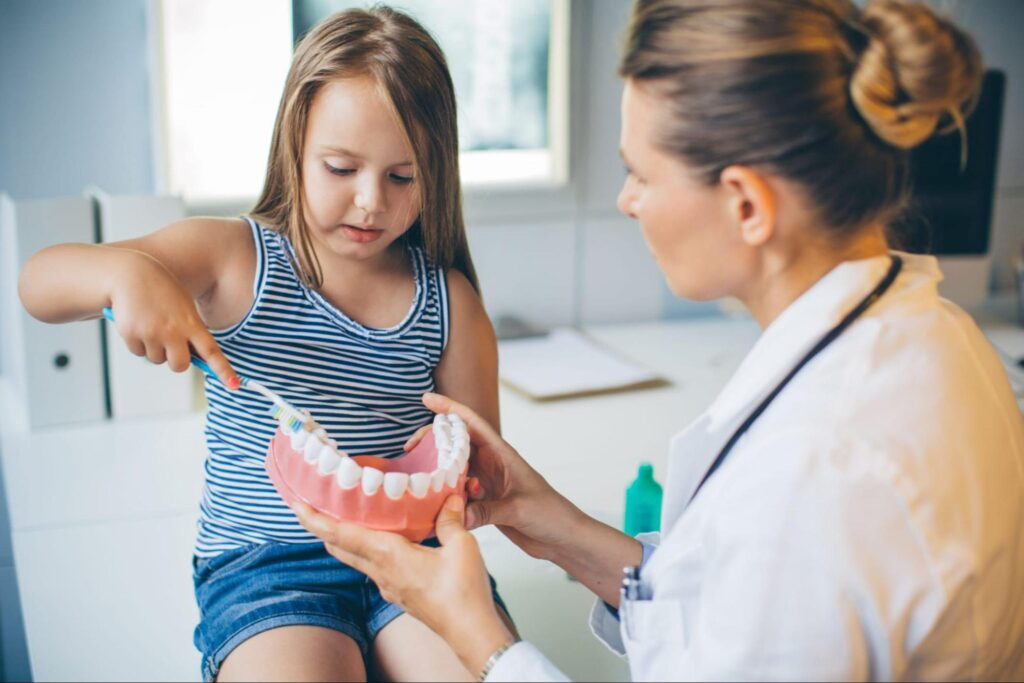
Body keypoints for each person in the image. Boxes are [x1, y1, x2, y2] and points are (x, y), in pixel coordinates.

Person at [294, 0, 1024, 680]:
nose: (626, 200)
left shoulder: (819, 476)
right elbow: (732, 607)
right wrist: (552, 522)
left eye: (640, 172)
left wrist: (479, 636)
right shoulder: (937, 337)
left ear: (745, 203)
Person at [18, 6, 512, 681]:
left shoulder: (449, 302)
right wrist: (125, 271)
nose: (370, 201)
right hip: (267, 562)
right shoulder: (232, 259)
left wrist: (449, 483)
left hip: (416, 550)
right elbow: (38, 281)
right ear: (295, 146)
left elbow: (480, 468)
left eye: (403, 177)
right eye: (341, 168)